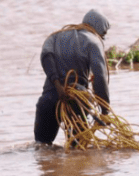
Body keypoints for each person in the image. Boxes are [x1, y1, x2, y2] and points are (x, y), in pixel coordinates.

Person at [34, 9, 111, 145]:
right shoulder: (94, 41)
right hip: (77, 100)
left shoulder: (55, 36)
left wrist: (57, 85)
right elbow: (100, 77)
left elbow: (46, 57)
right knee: (78, 147)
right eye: (103, 34)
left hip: (48, 100)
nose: (102, 37)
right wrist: (105, 111)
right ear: (98, 29)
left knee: (42, 147)